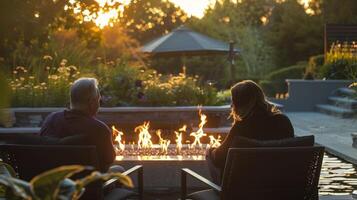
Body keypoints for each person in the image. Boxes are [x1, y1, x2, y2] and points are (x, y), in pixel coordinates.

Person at [207, 80, 294, 184]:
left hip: (245, 189)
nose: (231, 105)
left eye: (233, 101)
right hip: (280, 186)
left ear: (238, 104)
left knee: (209, 153)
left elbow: (219, 159)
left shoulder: (241, 128)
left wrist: (211, 150)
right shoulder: (283, 121)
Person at [40, 77, 119, 172]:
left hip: (53, 182)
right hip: (89, 183)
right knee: (119, 169)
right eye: (98, 101)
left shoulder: (51, 119)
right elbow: (109, 160)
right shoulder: (99, 129)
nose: (99, 105)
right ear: (91, 102)